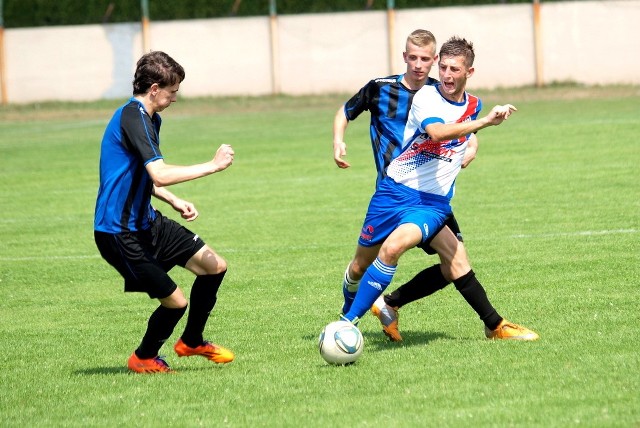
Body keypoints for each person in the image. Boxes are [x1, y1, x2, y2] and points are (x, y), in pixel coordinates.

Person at [336, 35, 538, 341]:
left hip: (432, 203)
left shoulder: (472, 104)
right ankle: (380, 305)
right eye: (443, 67)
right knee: (361, 264)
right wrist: (484, 124)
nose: (445, 74)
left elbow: (464, 132)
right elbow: (438, 132)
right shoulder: (426, 98)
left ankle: (494, 325)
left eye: (453, 69)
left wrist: (472, 145)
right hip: (392, 192)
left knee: (444, 259)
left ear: (469, 72)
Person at [94, 51, 236, 373]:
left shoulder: (151, 119)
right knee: (176, 301)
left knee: (214, 266)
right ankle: (142, 358)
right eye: (172, 92)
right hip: (119, 232)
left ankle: (192, 342)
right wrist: (212, 166)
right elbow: (158, 172)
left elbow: (144, 175)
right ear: (155, 88)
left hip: (147, 221)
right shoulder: (132, 117)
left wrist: (172, 199)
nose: (175, 98)